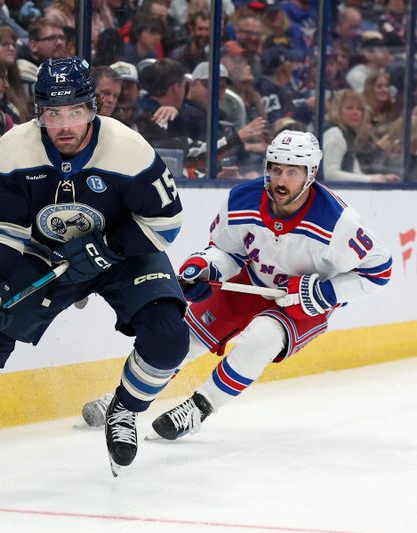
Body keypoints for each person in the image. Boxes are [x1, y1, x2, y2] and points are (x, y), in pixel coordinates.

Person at [0, 56, 189, 475]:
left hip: (125, 254)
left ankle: (124, 411)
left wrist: (109, 247)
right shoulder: (15, 148)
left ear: (92, 108)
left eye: (75, 112)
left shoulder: (129, 149)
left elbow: (166, 223)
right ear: (38, 111)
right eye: (52, 113)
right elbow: (2, 225)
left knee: (169, 337)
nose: (64, 124)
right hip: (48, 254)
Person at [82, 130, 393, 440]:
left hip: (301, 300)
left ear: (311, 174)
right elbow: (228, 251)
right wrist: (205, 266)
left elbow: (379, 271)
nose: (280, 180)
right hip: (252, 281)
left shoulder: (338, 222)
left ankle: (198, 408)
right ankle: (124, 402)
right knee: (182, 338)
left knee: (261, 338)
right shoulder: (242, 199)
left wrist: (327, 293)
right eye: (275, 169)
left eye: (292, 172)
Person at [322, 89, 400, 183]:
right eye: (349, 108)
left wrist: (381, 178)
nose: (356, 112)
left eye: (359, 109)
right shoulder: (335, 134)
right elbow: (330, 174)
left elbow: (355, 172)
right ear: (337, 111)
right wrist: (372, 179)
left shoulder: (348, 135)